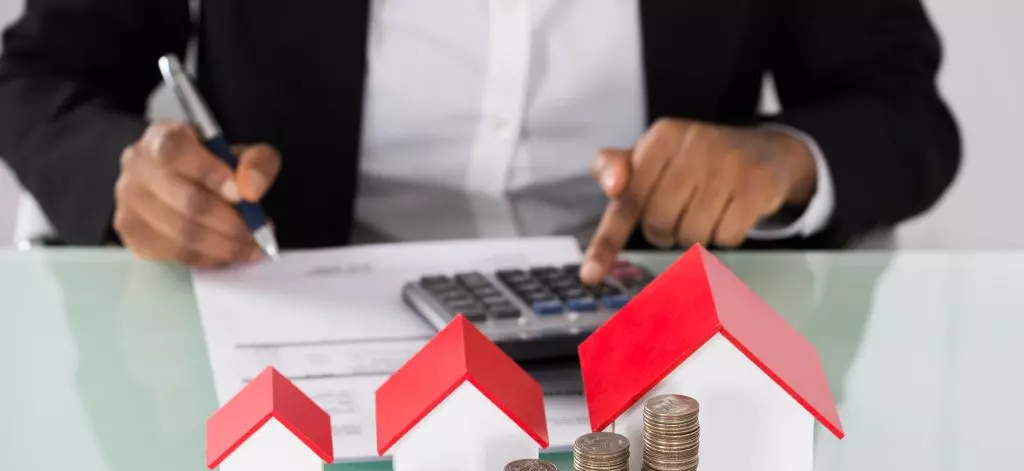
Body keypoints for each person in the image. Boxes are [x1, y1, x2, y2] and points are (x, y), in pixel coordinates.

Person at [0, 0, 960, 284]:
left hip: (650, 333)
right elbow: (38, 74)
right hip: (296, 305)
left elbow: (901, 107)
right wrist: (127, 175)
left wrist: (785, 161)